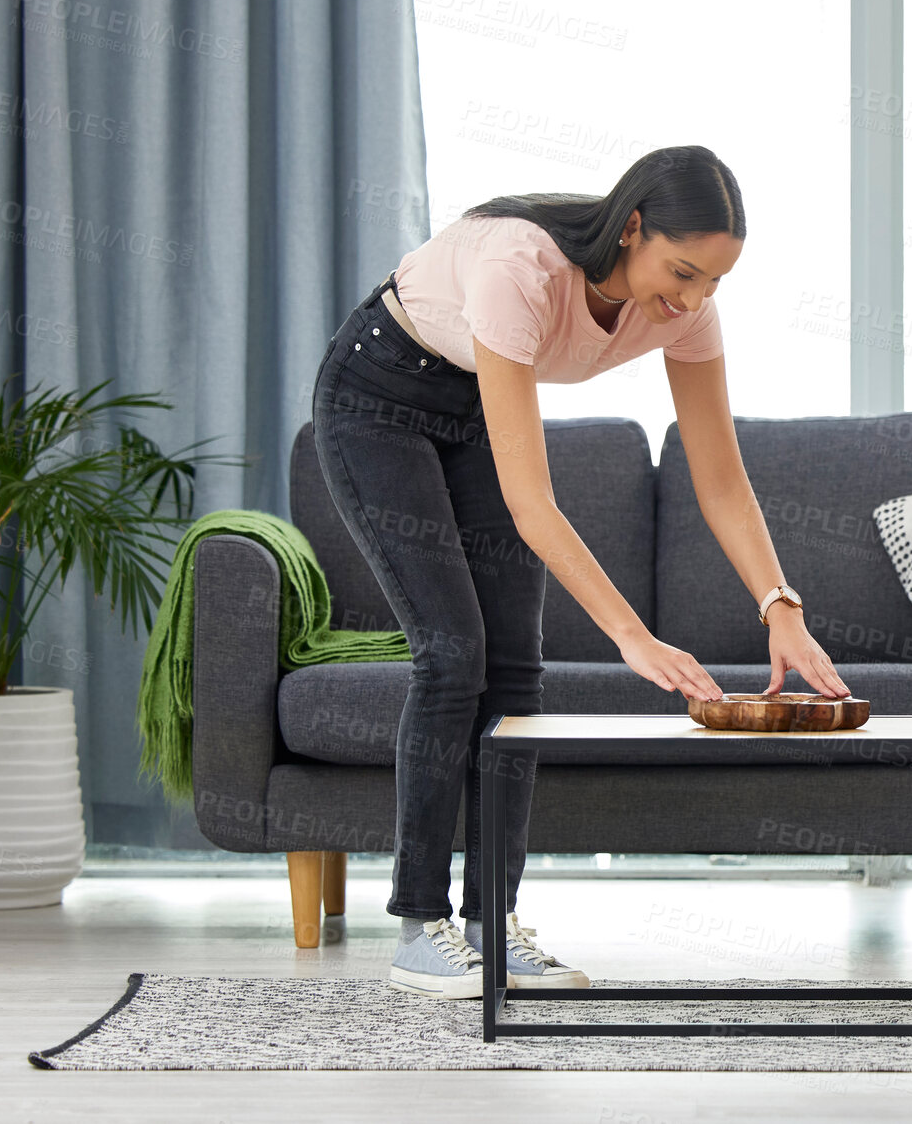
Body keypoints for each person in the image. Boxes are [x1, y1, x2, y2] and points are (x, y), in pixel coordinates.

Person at [310, 144, 852, 999]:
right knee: (453, 654)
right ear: (632, 226)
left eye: (713, 281)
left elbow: (719, 476)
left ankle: (494, 923)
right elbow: (535, 505)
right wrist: (630, 634)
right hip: (379, 397)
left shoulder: (683, 312)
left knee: (517, 675)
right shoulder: (518, 267)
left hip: (476, 408)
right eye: (681, 270)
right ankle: (420, 925)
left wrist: (778, 603)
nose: (692, 298)